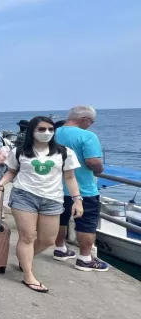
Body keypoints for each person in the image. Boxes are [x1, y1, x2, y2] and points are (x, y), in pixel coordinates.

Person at [0, 116, 82, 293]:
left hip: (53, 199)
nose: (46, 132)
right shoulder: (19, 151)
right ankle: (28, 274)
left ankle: (25, 257)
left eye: (50, 129)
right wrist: (0, 183)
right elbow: (11, 172)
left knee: (48, 240)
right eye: (41, 129)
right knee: (27, 237)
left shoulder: (64, 152)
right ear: (32, 131)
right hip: (24, 196)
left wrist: (77, 200)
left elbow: (70, 178)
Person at [53, 106, 108, 272]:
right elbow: (92, 162)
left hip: (56, 187)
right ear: (85, 119)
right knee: (86, 223)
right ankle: (85, 258)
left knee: (60, 219)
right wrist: (100, 169)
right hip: (83, 189)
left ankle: (60, 249)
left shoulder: (55, 133)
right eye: (91, 121)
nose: (91, 125)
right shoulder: (88, 136)